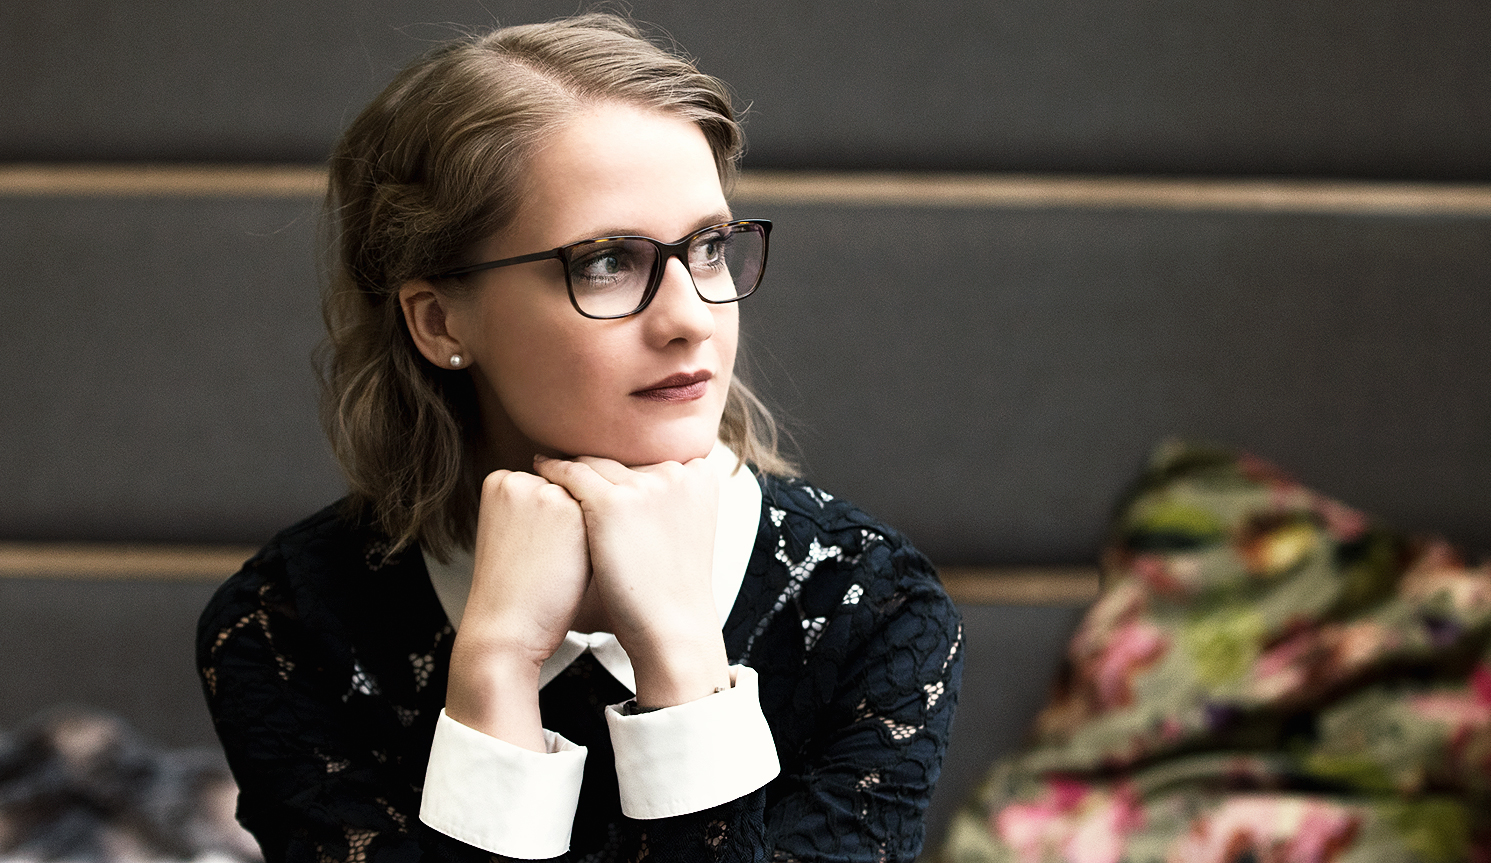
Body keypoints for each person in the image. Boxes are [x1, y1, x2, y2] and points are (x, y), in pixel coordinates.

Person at [197, 14, 962, 863]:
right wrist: (496, 668)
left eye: (710, 248)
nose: (690, 318)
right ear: (440, 319)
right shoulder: (287, 626)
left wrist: (680, 657)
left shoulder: (873, 606)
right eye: (606, 262)